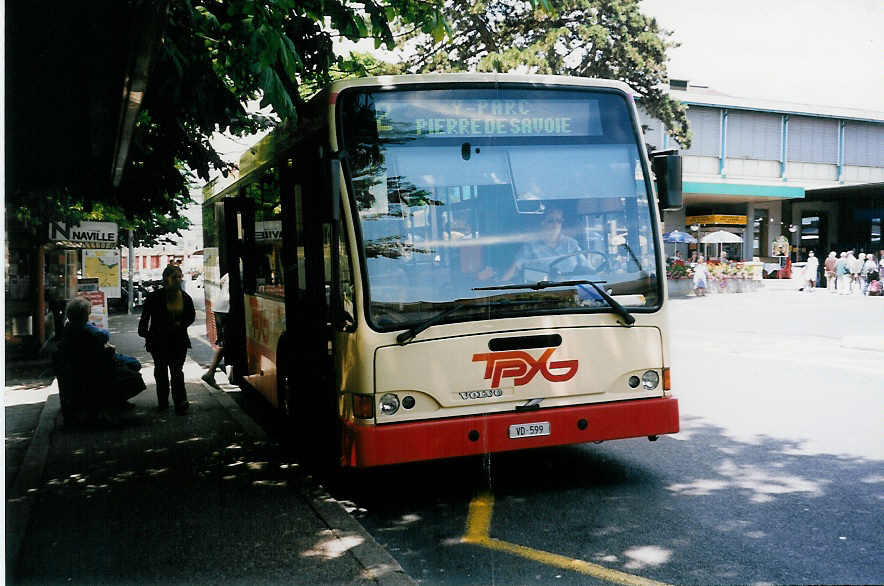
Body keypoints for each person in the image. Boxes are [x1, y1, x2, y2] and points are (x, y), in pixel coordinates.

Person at [55, 297, 145, 425]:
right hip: (98, 366)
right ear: (84, 314)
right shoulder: (87, 329)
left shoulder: (69, 328)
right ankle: (116, 401)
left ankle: (116, 402)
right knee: (133, 364)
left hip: (81, 367)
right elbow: (103, 336)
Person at [138, 264, 196, 414]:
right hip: (159, 342)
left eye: (179, 277)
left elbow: (191, 316)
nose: (178, 280)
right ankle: (163, 402)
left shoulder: (185, 297)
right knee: (161, 372)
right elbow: (144, 321)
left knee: (177, 372)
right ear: (165, 279)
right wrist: (147, 335)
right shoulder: (154, 297)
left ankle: (180, 402)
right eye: (174, 277)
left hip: (178, 341)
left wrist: (181, 324)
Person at [485, 207, 593, 282]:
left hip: (570, 294)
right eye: (551, 220)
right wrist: (500, 283)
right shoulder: (530, 246)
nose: (555, 224)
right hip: (542, 297)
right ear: (542, 223)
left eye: (559, 220)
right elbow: (514, 269)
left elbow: (589, 271)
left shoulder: (572, 244)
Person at [202, 273, 230, 388]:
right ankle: (210, 373)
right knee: (227, 342)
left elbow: (221, 281)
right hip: (227, 308)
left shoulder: (228, 274)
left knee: (225, 341)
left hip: (219, 308)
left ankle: (211, 373)